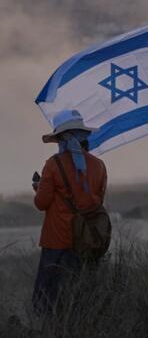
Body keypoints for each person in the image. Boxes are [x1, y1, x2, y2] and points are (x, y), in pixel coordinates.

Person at [31, 109, 108, 317]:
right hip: (87, 242)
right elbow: (97, 201)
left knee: (51, 301)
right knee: (81, 299)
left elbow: (41, 203)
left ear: (61, 138)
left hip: (57, 241)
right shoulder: (99, 166)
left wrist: (39, 188)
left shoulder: (53, 164)